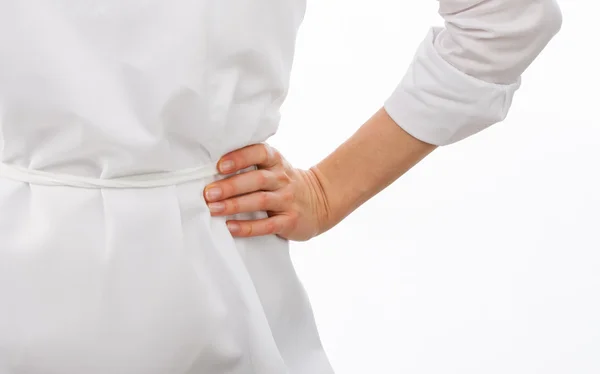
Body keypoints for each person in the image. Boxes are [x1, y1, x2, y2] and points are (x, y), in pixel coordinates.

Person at [0, 0, 561, 373]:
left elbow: (507, 17)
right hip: (213, 277)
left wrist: (328, 190)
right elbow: (508, 19)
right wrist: (325, 190)